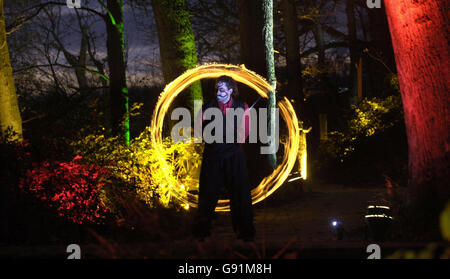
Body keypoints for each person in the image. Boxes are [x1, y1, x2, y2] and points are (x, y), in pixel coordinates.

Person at [193, 76, 255, 242]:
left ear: (230, 90)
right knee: (208, 193)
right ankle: (202, 230)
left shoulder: (243, 107)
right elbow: (198, 130)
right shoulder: (207, 108)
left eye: (221, 88)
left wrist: (236, 138)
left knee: (240, 193)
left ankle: (245, 231)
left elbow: (246, 131)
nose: (218, 91)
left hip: (234, 155)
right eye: (217, 88)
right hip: (213, 155)